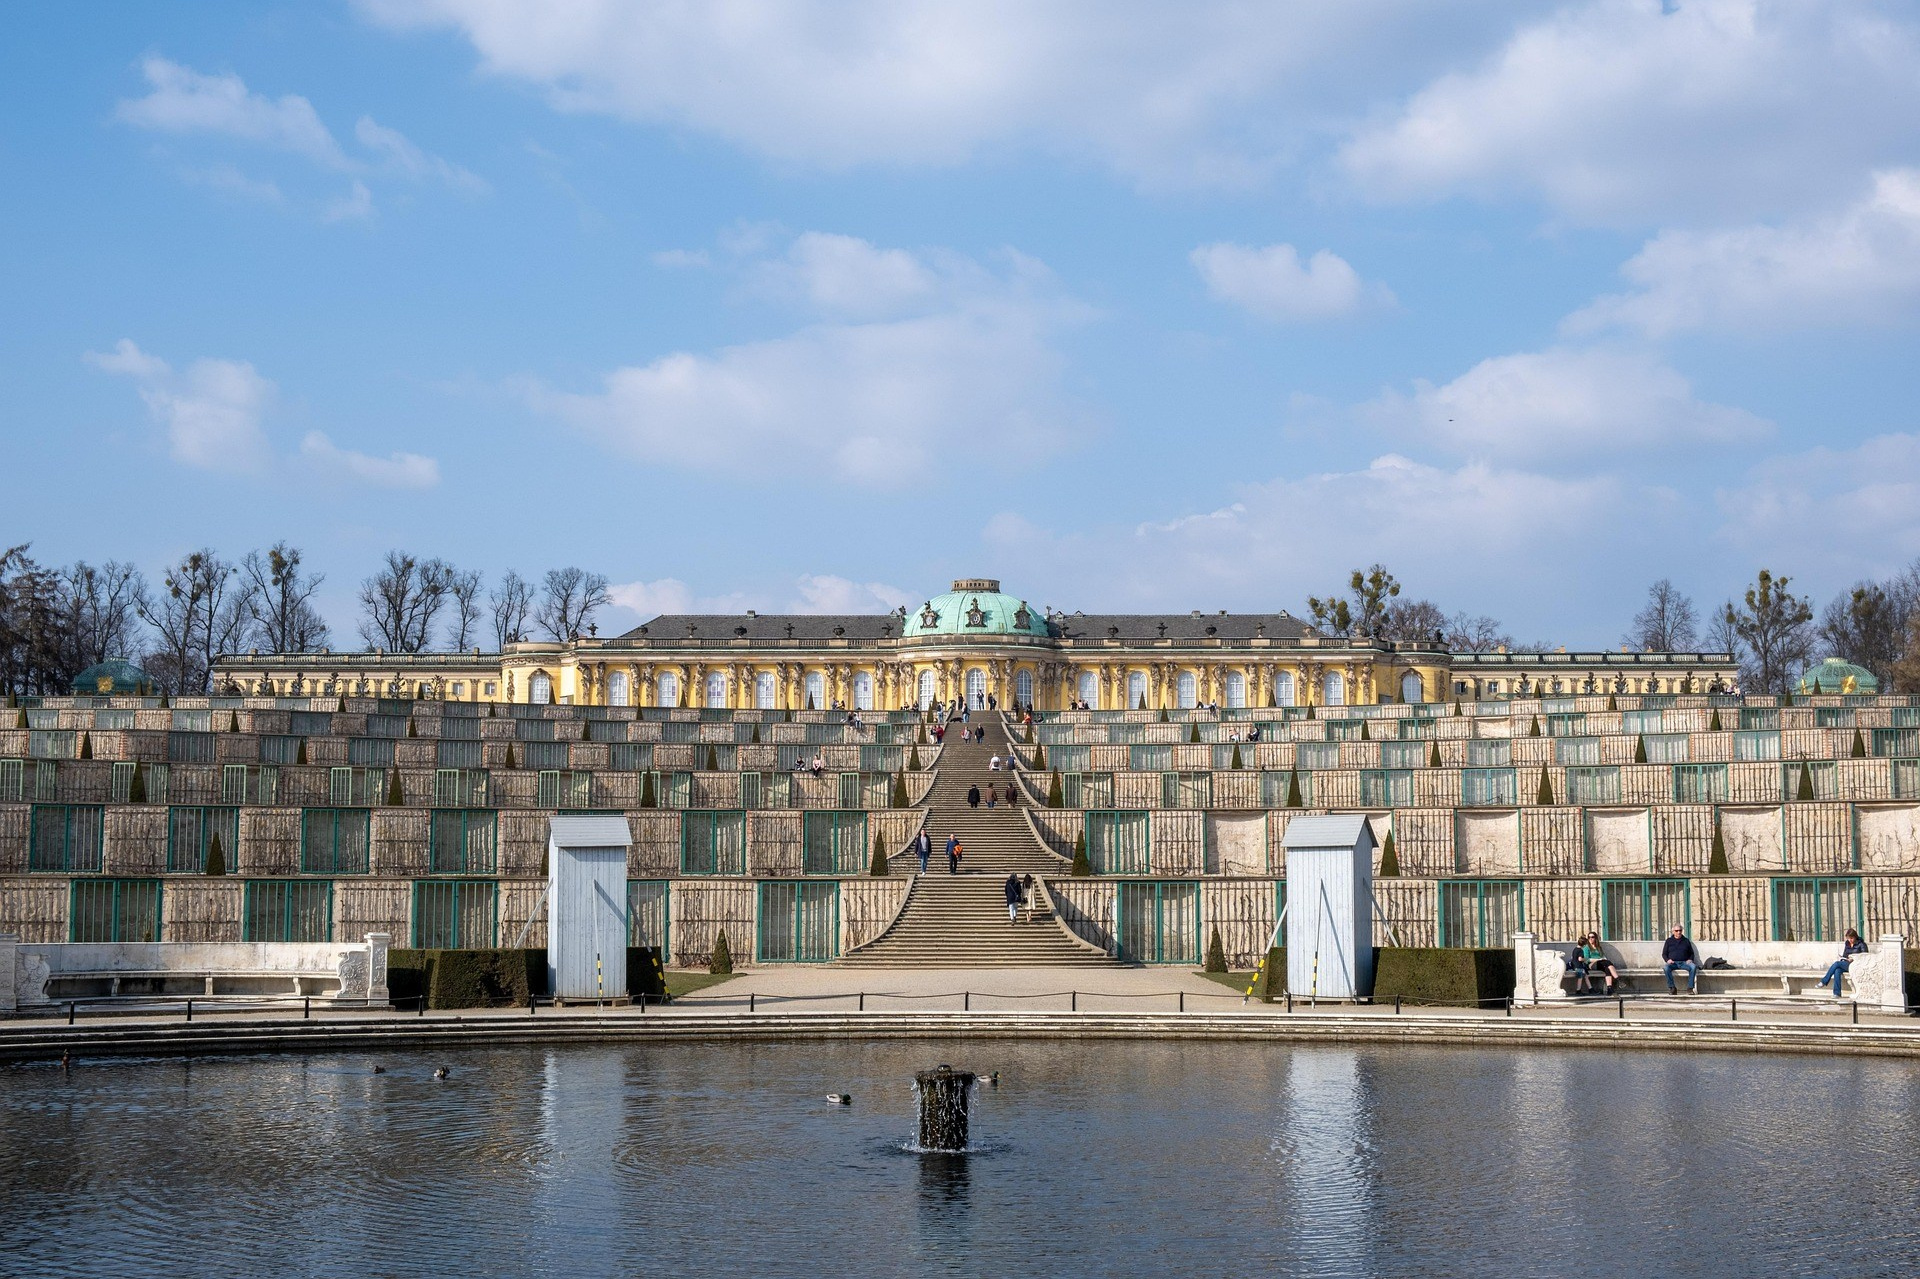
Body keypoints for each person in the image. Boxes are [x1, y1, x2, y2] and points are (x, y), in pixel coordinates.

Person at [1816, 929, 1869, 1000]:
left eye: (1851, 938)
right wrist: (1845, 958)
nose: (1850, 940)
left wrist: (1853, 959)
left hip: (1856, 965)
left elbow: (1864, 957)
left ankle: (1824, 981)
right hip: (1847, 963)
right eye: (1848, 938)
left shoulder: (1862, 944)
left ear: (1855, 937)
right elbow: (1845, 954)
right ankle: (1837, 993)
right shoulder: (1847, 943)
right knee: (1837, 970)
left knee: (1836, 963)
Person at [1662, 925, 1699, 994]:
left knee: (1693, 967)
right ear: (1673, 932)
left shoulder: (1686, 941)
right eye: (1676, 931)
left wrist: (1690, 959)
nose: (1679, 932)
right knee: (1666, 968)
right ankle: (1672, 988)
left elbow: (1691, 953)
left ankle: (1690, 988)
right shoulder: (1669, 941)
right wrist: (1667, 960)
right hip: (1673, 963)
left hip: (1684, 962)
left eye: (1680, 930)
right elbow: (1664, 954)